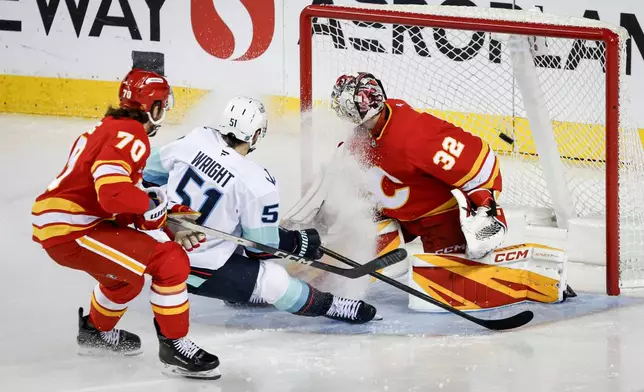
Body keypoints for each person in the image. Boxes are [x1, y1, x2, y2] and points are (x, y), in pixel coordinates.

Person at [31, 69, 220, 380]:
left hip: (65, 221)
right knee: (169, 260)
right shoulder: (132, 134)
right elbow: (113, 194)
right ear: (154, 107)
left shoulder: (108, 128)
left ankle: (95, 332)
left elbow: (116, 202)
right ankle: (175, 346)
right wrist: (155, 209)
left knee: (125, 279)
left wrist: (166, 217)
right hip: (73, 227)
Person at [142, 96, 379, 324]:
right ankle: (333, 306)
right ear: (256, 134)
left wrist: (167, 207)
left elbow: (149, 175)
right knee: (273, 279)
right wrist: (297, 243)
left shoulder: (195, 138)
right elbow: (262, 250)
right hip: (196, 270)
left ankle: (243, 293)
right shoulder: (257, 182)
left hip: (154, 252)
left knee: (234, 236)